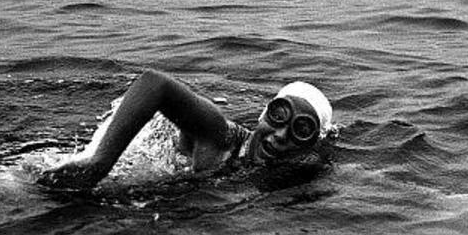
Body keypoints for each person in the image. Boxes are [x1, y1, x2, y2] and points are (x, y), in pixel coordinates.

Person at [38, 69, 333, 190]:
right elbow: (154, 83)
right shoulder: (220, 136)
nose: (280, 135)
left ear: (310, 144)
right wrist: (99, 162)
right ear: (262, 114)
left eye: (300, 130)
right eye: (278, 117)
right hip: (88, 168)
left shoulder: (294, 174)